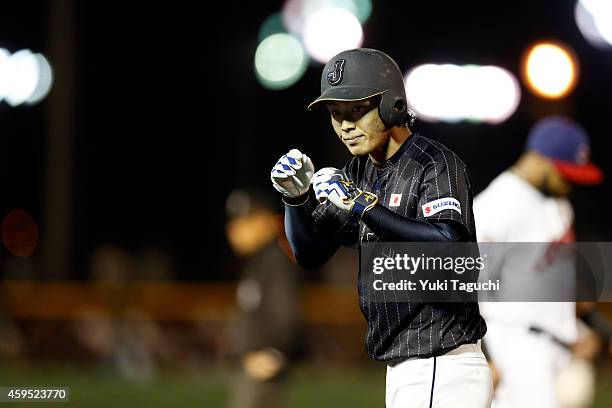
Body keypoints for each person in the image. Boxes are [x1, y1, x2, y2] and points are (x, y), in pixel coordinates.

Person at [270, 48, 492, 408]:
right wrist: (295, 201)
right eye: (335, 114)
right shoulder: (359, 173)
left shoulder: (433, 162)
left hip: (441, 359)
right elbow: (309, 254)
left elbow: (450, 245)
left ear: (393, 106)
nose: (344, 125)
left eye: (356, 109)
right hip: (409, 365)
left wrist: (363, 206)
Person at [473, 115, 604, 408]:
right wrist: (485, 355)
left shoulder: (558, 202)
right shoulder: (499, 204)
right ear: (537, 159)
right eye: (564, 171)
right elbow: (463, 282)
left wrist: (583, 327)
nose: (569, 181)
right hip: (516, 346)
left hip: (556, 346)